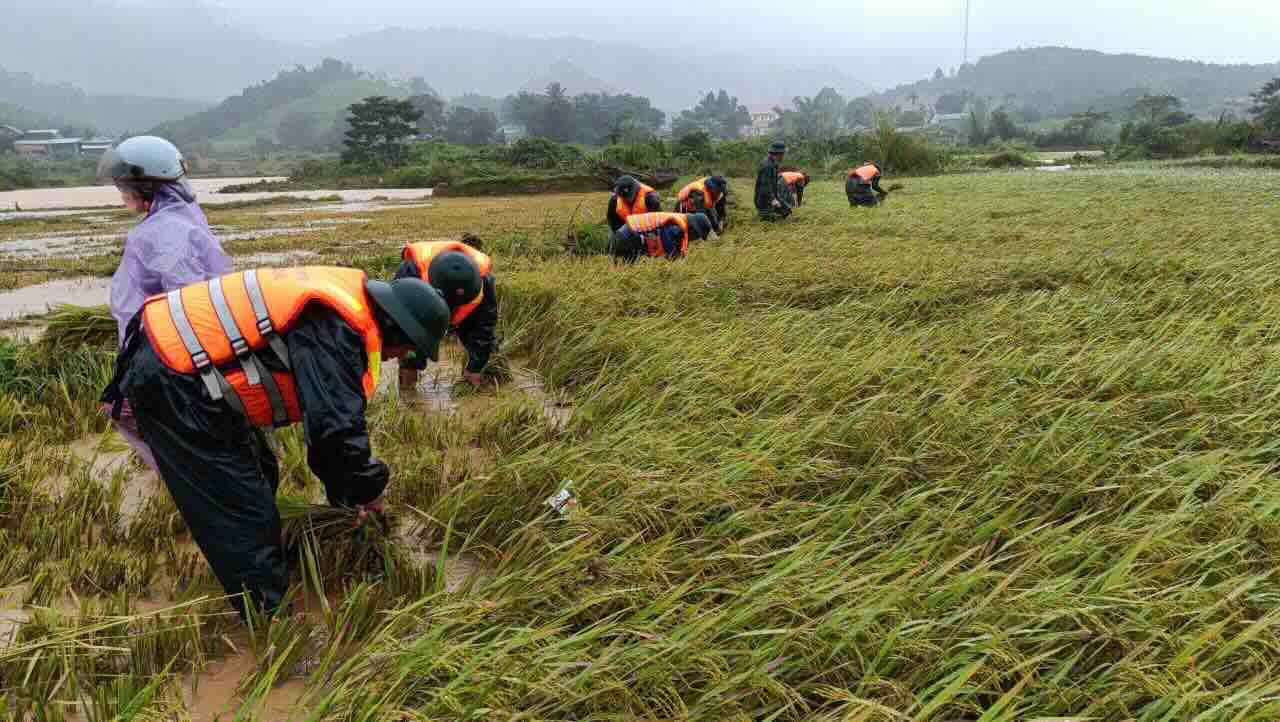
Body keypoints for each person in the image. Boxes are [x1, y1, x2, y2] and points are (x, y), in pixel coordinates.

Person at [102, 266, 451, 618]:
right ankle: (273, 624)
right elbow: (335, 435)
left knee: (261, 470)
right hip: (171, 377)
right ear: (396, 325)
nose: (397, 358)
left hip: (184, 367)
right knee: (242, 510)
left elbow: (331, 436)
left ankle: (267, 573)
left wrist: (348, 495)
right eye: (406, 348)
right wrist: (367, 491)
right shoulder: (337, 329)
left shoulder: (342, 305)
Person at [98, 135, 232, 472]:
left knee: (128, 413)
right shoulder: (179, 218)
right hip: (166, 349)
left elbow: (186, 299)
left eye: (124, 185)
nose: (122, 193)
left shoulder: (164, 231)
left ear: (147, 186)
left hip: (166, 353)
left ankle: (186, 480)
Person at [394, 240, 498, 393]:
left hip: (467, 307)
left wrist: (475, 367)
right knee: (409, 349)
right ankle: (407, 391)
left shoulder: (484, 280)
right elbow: (402, 326)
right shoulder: (411, 273)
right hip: (423, 307)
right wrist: (409, 361)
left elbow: (485, 327)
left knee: (486, 347)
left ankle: (487, 379)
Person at [609, 212, 713, 262]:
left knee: (623, 272)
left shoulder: (678, 221)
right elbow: (666, 240)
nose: (695, 239)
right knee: (626, 273)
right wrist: (676, 259)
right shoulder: (677, 228)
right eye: (697, 236)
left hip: (623, 236)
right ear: (694, 229)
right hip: (626, 239)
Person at [754, 141, 789, 221]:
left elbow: (773, 184)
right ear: (778, 154)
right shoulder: (767, 166)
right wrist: (773, 200)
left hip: (772, 195)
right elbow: (765, 186)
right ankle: (764, 214)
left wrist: (777, 198)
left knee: (786, 211)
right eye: (783, 154)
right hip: (763, 199)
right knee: (772, 219)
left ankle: (771, 213)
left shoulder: (774, 164)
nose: (783, 156)